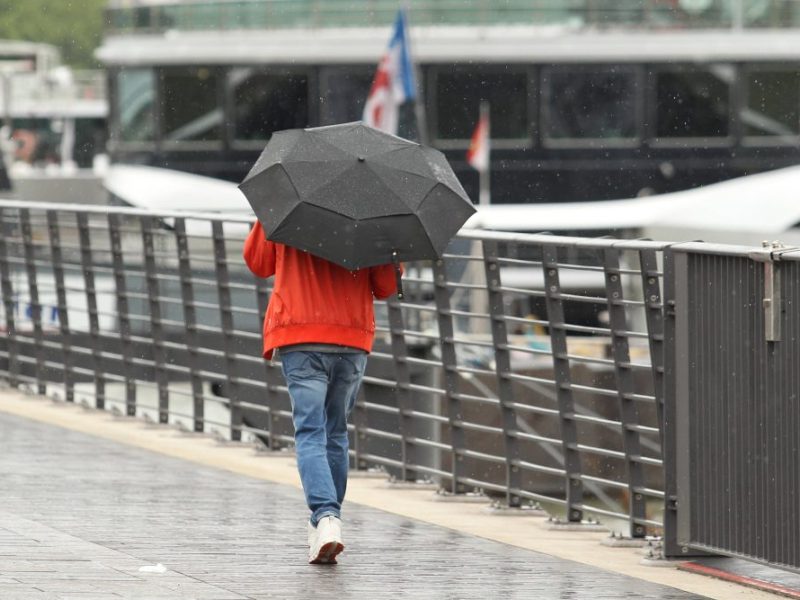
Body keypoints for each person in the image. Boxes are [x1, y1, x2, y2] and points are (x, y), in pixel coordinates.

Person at [243, 220, 401, 565]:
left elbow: (259, 264)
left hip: (301, 334)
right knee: (335, 432)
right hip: (350, 336)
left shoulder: (287, 204)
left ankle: (325, 517)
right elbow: (386, 286)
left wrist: (263, 215)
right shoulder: (373, 208)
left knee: (311, 431)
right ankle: (330, 521)